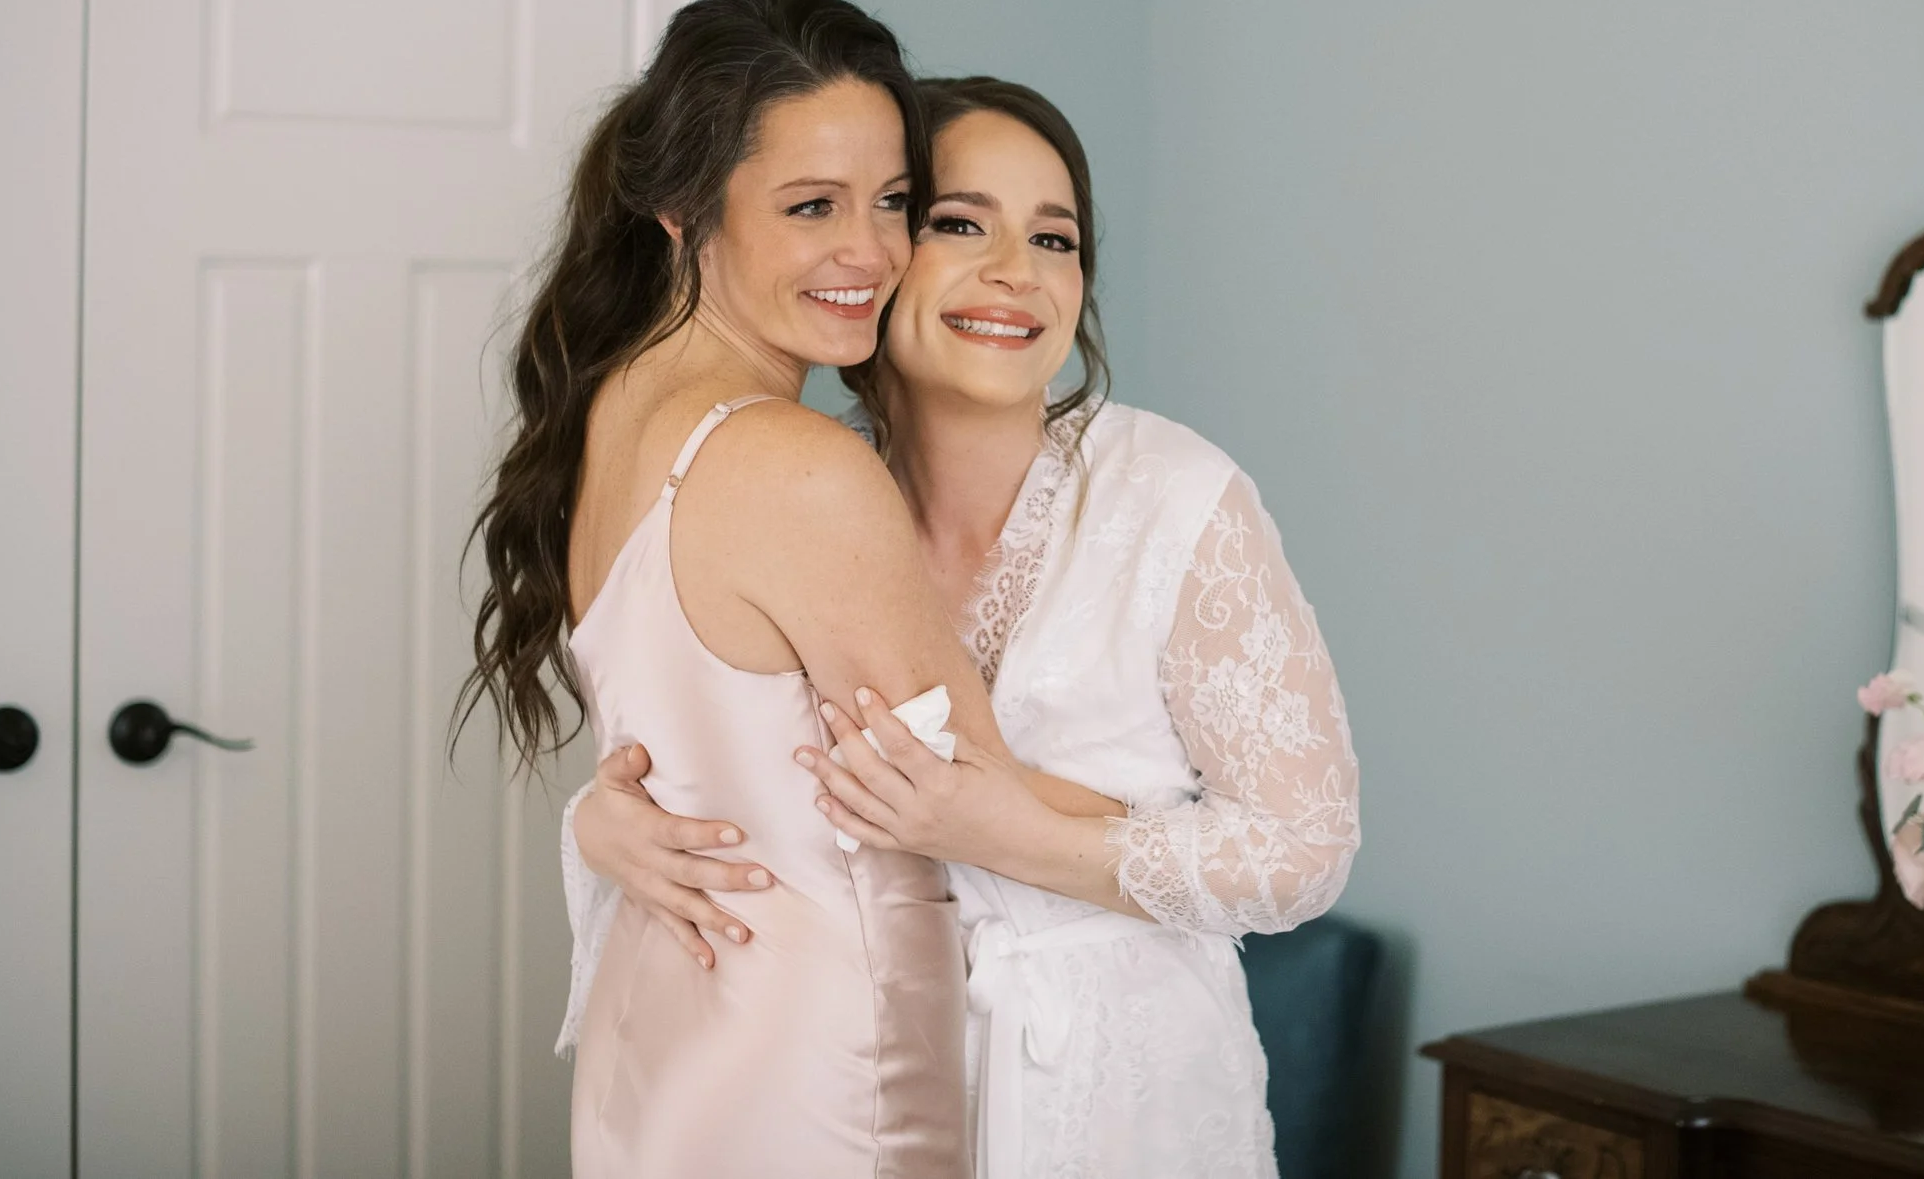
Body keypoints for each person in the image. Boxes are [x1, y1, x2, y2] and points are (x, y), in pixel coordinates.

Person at [568, 74, 1360, 1178]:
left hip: (1118, 1096)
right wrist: (601, 823)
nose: (1017, 272)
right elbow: (752, 769)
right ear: (881, 255)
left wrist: (1011, 830)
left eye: (1054, 237)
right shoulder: (806, 493)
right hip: (867, 1087)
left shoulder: (1172, 498)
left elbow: (1301, 852)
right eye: (958, 222)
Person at [460, 0, 1119, 1179]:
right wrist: (1229, 838)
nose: (869, 251)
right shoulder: (797, 464)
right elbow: (974, 807)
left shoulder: (616, 407)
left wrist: (594, 819)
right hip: (821, 1065)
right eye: (812, 204)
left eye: (895, 201)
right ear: (680, 209)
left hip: (667, 1026)